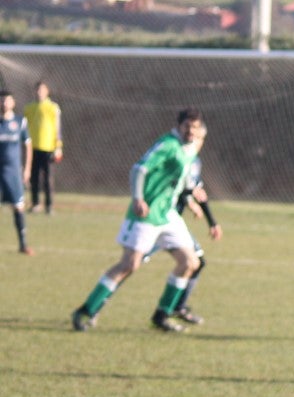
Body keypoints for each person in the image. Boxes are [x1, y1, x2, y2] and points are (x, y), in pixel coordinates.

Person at [71, 108, 209, 333]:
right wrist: (138, 197)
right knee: (129, 264)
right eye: (187, 126)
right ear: (178, 126)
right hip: (147, 214)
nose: (191, 131)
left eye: (195, 127)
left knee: (190, 263)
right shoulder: (167, 145)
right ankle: (85, 311)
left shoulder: (189, 150)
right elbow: (138, 169)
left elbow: (179, 182)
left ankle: (162, 315)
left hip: (168, 215)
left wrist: (192, 197)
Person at [142, 124, 220, 325]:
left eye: (201, 139)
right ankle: (93, 306)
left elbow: (195, 190)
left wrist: (212, 222)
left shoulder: (194, 162)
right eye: (195, 138)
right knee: (131, 263)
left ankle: (176, 307)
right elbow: (174, 187)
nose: (197, 143)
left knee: (196, 262)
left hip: (171, 224)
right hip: (159, 221)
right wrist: (190, 199)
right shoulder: (178, 156)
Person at [0, 91, 34, 255]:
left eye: (7, 100)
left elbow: (28, 146)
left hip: (13, 172)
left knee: (18, 207)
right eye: (1, 101)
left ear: (12, 103)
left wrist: (27, 169)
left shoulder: (20, 122)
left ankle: (23, 244)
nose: (4, 103)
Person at [23, 81, 62, 215]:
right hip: (33, 148)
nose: (40, 92)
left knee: (48, 178)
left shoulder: (52, 107)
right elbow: (25, 128)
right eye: (37, 90)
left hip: (48, 147)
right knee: (34, 177)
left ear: (47, 91)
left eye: (42, 90)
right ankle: (35, 204)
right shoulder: (29, 108)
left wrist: (58, 146)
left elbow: (58, 128)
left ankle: (49, 206)